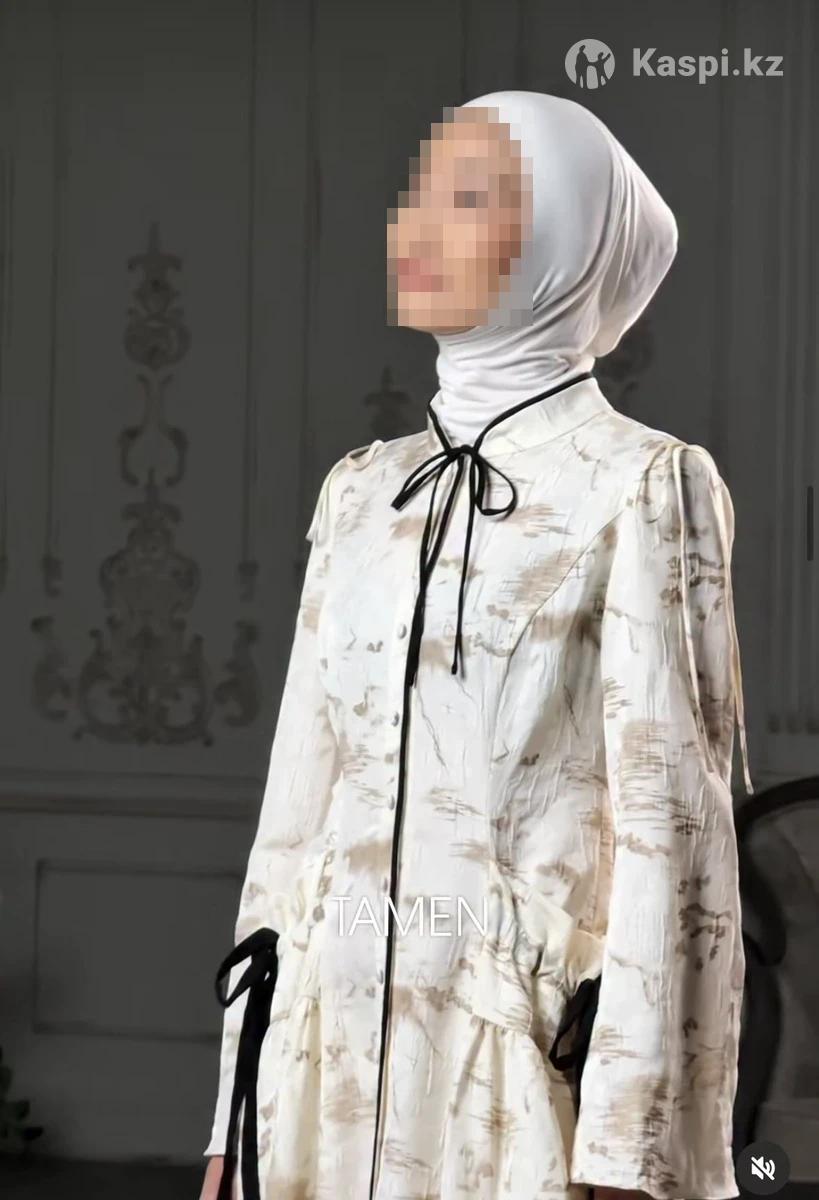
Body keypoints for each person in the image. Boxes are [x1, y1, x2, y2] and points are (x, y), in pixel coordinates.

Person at [200, 90, 753, 1200]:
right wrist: (231, 1124)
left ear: (565, 237)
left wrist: (629, 1152)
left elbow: (675, 838)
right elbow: (293, 820)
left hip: (518, 1073)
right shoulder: (362, 492)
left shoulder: (642, 485)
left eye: (469, 196)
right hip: (319, 1060)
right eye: (418, 190)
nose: (415, 223)